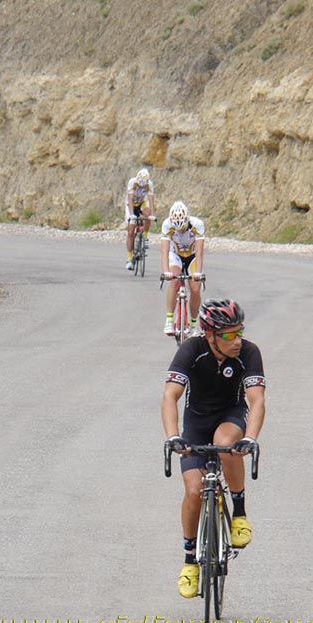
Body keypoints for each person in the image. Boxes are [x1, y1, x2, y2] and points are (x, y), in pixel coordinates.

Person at [161, 299, 265, 599]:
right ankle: (190, 562)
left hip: (231, 415)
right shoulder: (191, 351)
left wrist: (252, 438)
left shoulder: (249, 352)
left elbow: (257, 400)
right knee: (194, 490)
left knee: (225, 445)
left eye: (240, 332)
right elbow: (170, 396)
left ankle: (240, 513)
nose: (237, 341)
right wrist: (173, 436)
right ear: (210, 335)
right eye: (229, 335)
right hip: (196, 420)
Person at [159, 201, 206, 336]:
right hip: (175, 255)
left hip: (192, 256)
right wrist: (166, 271)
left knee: (195, 288)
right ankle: (169, 320)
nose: (180, 230)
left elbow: (199, 250)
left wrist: (198, 273)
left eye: (182, 227)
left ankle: (193, 324)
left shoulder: (197, 224)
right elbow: (164, 251)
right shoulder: (167, 224)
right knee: (174, 281)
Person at [124, 168, 156, 270]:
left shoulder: (149, 184)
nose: (141, 186)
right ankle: (129, 259)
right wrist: (132, 214)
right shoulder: (132, 182)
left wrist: (152, 215)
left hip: (142, 203)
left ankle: (145, 237)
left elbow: (151, 200)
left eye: (143, 184)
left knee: (148, 214)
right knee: (130, 232)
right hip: (131, 204)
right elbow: (130, 198)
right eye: (140, 184)